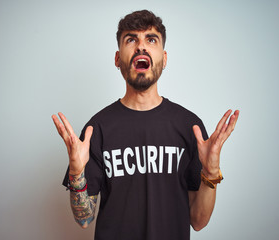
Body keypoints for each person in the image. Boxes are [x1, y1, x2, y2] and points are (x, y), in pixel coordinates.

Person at [52, 9, 239, 240]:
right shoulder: (96, 129)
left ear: (165, 58)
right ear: (117, 58)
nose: (141, 46)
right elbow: (84, 219)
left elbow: (198, 222)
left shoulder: (190, 127)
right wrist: (76, 171)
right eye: (131, 39)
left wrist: (210, 172)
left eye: (151, 39)